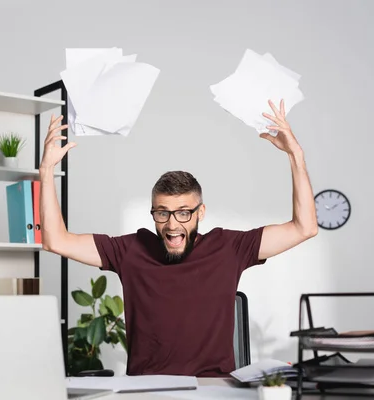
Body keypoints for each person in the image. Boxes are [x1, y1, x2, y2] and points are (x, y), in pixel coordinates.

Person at [38, 99, 317, 377]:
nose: (172, 224)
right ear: (153, 213)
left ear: (200, 212)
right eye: (162, 213)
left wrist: (296, 155)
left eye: (184, 213)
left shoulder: (229, 248)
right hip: (147, 392)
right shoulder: (129, 250)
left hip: (213, 390)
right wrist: (47, 171)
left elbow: (304, 227)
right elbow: (56, 241)